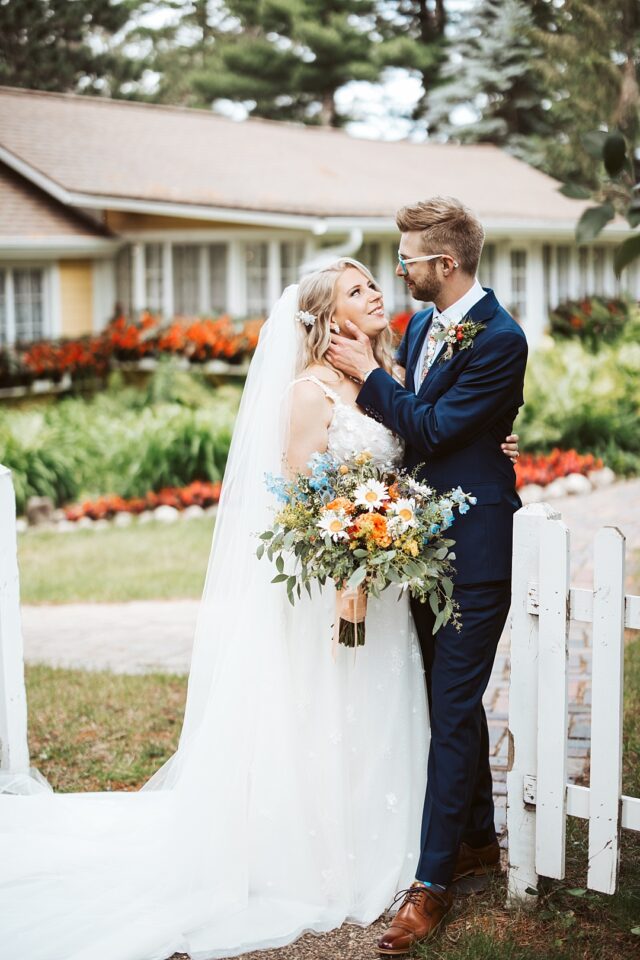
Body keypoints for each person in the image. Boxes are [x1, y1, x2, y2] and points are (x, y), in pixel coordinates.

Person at [0, 257, 519, 960]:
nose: (378, 293)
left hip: (389, 586)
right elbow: (298, 500)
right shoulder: (307, 393)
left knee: (388, 708)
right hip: (341, 583)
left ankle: (399, 842)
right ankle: (321, 853)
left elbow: (422, 441)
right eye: (359, 289)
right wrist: (350, 554)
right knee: (329, 709)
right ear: (329, 317)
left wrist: (486, 444)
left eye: (376, 282)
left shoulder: (387, 378)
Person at [327, 198, 528, 954]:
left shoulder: (502, 338)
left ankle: (432, 884)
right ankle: (476, 837)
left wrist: (371, 375)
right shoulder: (418, 326)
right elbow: (428, 421)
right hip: (419, 546)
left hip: (474, 553)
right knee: (449, 695)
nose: (399, 268)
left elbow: (438, 426)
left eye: (408, 258)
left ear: (445, 265)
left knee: (450, 706)